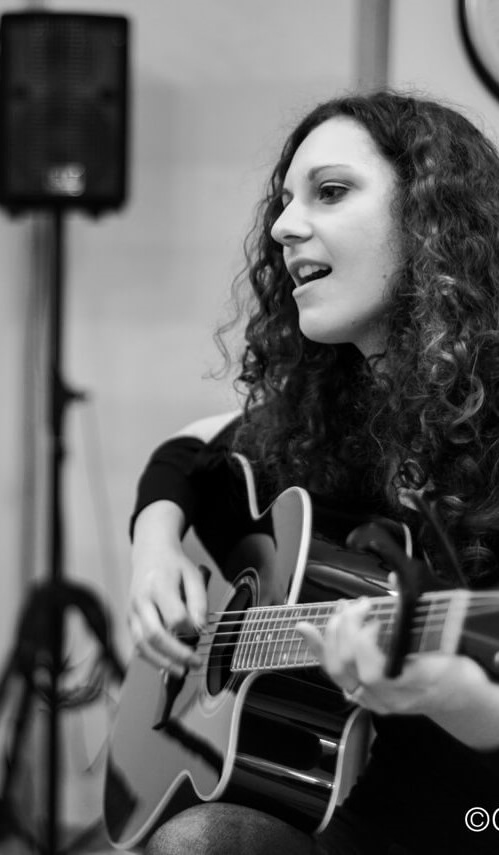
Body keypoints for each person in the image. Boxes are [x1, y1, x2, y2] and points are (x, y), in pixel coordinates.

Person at [126, 89, 499, 855]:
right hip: (346, 814)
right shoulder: (333, 407)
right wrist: (154, 548)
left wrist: (453, 698)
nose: (282, 226)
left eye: (329, 192)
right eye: (285, 200)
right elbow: (188, 456)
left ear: (432, 220)